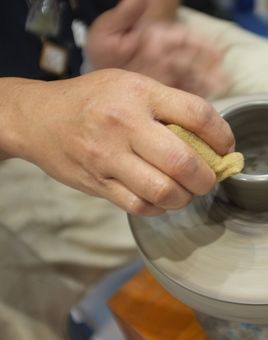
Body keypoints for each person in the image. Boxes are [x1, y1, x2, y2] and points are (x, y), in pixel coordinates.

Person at [0, 0, 233, 216]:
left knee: (267, 73)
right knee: (171, 208)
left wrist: (151, 24)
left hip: (117, 39)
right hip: (21, 128)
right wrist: (33, 114)